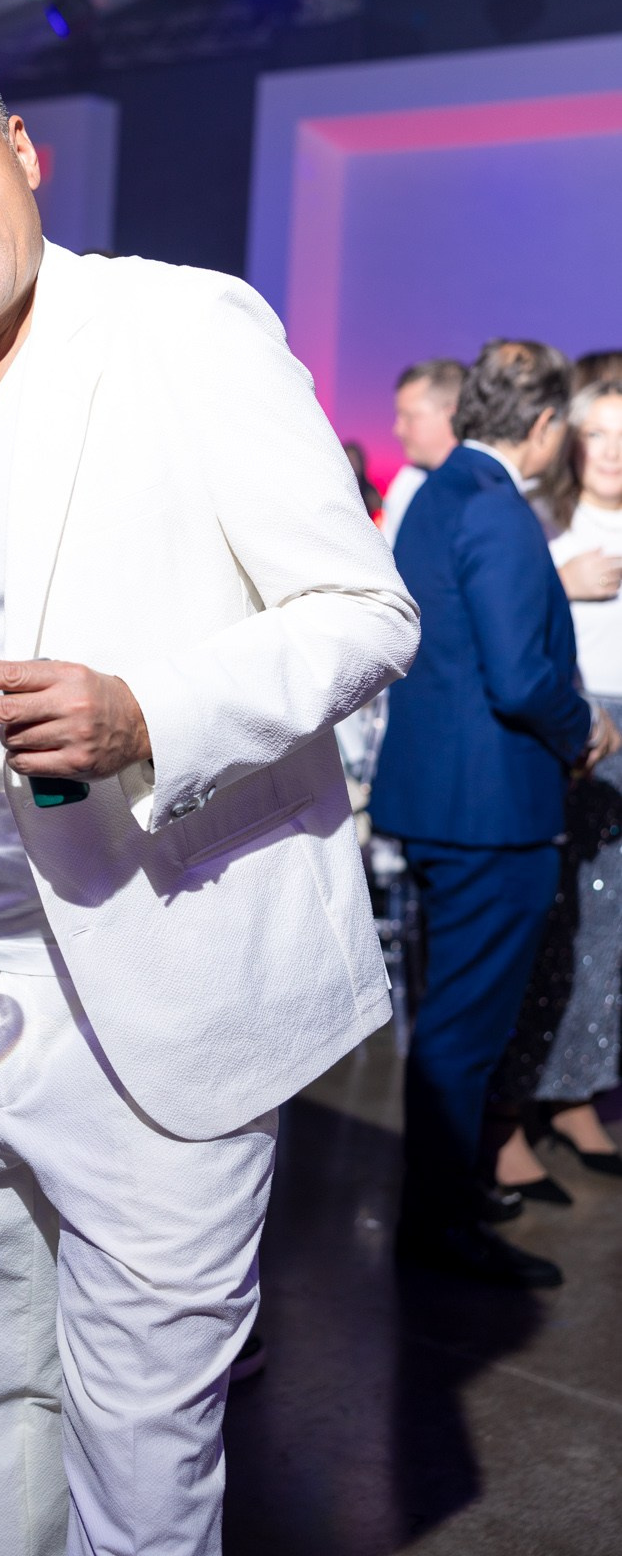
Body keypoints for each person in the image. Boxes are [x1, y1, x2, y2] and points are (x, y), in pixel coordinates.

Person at [0, 21, 418, 1556]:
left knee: (141, 1467)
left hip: (154, 987)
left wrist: (148, 709)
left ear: (22, 154)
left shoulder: (181, 326)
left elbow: (363, 613)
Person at [370, 341, 621, 1289]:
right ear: (547, 424)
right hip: (491, 812)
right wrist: (585, 727)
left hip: (445, 799)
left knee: (452, 1020)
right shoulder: (498, 509)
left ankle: (443, 1210)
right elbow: (519, 679)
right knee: (466, 1029)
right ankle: (441, 1227)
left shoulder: (438, 493)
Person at [496, 376, 622, 1194]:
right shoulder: (539, 519)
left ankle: (577, 1093)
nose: (613, 451)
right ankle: (506, 1116)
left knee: (607, 934)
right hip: (569, 730)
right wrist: (561, 581)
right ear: (571, 439)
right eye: (599, 432)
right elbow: (498, 619)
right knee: (545, 929)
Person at [380, 358, 465, 547]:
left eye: (409, 417)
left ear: (452, 415)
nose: (397, 430)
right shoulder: (407, 483)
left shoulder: (483, 491)